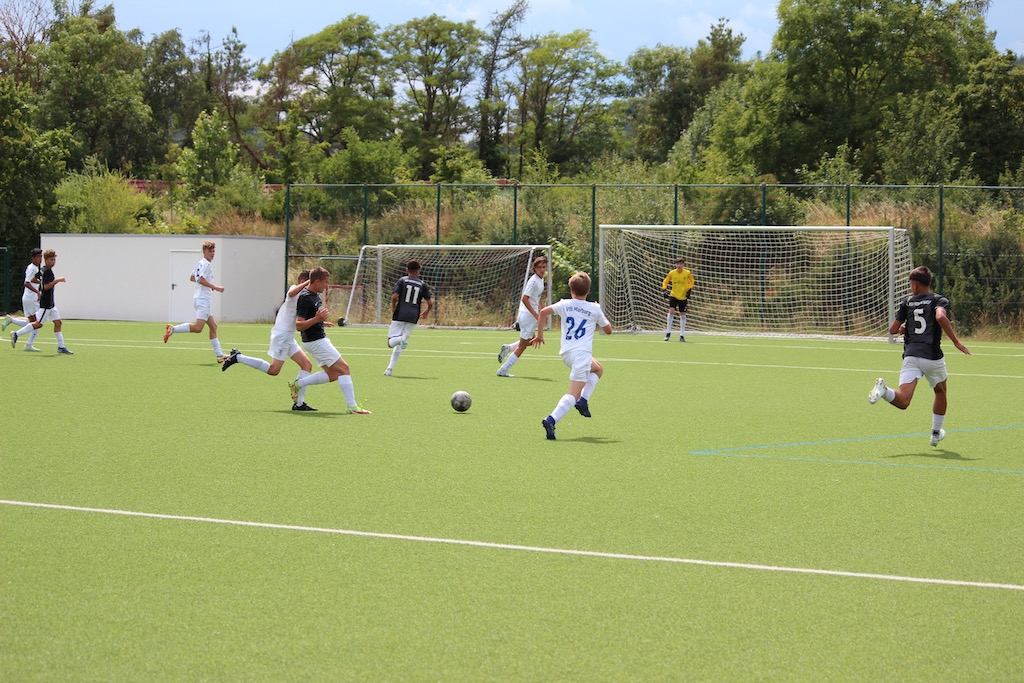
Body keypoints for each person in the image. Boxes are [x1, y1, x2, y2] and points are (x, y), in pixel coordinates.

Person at [868, 266, 971, 447]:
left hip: (911, 356)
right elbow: (940, 317)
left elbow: (892, 330)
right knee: (940, 391)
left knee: (904, 400)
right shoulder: (939, 300)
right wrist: (956, 342)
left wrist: (903, 329)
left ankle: (884, 391)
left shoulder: (907, 302)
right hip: (931, 356)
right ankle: (935, 434)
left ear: (915, 285)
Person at [531, 271, 612, 440]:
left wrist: (540, 335)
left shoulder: (565, 304)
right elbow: (608, 330)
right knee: (573, 394)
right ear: (588, 291)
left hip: (567, 354)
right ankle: (551, 419)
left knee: (598, 369)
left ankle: (584, 400)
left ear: (571, 290)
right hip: (581, 356)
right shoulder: (594, 308)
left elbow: (543, 312)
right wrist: (598, 310)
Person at [221, 270, 318, 411]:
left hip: (288, 336)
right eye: (310, 282)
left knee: (306, 365)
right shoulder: (294, 289)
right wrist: (309, 281)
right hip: (282, 336)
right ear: (303, 282)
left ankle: (299, 403)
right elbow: (291, 293)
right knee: (274, 370)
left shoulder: (304, 296)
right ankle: (238, 357)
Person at [288, 267, 370, 414]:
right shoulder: (305, 297)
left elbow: (311, 319)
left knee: (334, 374)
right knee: (344, 368)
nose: (326, 285)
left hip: (317, 339)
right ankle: (352, 407)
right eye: (325, 282)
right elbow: (299, 325)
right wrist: (317, 319)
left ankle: (299, 384)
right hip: (316, 341)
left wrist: (320, 322)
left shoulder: (315, 295)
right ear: (317, 281)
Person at [163, 240, 228, 363]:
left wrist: (207, 285)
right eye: (210, 251)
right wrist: (214, 287)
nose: (212, 253)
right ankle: (173, 329)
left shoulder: (200, 263)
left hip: (201, 298)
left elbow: (193, 277)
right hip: (203, 300)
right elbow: (201, 279)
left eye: (213, 251)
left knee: (213, 326)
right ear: (204, 252)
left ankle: (219, 355)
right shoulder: (206, 265)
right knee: (198, 328)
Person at [10, 249, 72, 354]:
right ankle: (16, 334)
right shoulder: (47, 272)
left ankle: (61, 347)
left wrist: (41, 282)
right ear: (46, 260)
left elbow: (33, 279)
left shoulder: (42, 270)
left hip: (51, 303)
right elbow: (46, 287)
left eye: (54, 260)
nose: (53, 262)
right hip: (46, 303)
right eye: (51, 260)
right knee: (38, 324)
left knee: (58, 322)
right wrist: (57, 280)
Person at [497, 255, 548, 377]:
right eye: (540, 267)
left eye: (544, 267)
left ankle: (508, 348)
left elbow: (538, 297)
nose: (542, 269)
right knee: (522, 346)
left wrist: (543, 311)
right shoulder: (533, 281)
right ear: (534, 269)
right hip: (527, 316)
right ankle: (503, 370)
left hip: (529, 316)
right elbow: (524, 299)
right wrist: (536, 314)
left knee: (531, 340)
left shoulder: (540, 280)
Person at [383, 260, 433, 376]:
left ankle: (401, 339)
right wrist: (426, 312)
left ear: (407, 270)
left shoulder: (402, 280)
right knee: (401, 343)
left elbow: (395, 296)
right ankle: (389, 369)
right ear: (418, 271)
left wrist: (393, 306)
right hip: (413, 315)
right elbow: (430, 303)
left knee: (390, 343)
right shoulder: (422, 284)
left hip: (400, 313)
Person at [3, 248, 44, 351]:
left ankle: (12, 320)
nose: (40, 259)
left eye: (41, 256)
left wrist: (39, 283)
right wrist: (37, 292)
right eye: (38, 257)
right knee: (38, 323)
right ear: (33, 258)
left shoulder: (33, 268)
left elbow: (31, 281)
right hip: (31, 299)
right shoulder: (33, 268)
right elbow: (26, 283)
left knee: (32, 323)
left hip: (27, 298)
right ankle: (26, 343)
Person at [661, 257, 694, 341]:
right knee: (671, 311)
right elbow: (665, 281)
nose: (679, 265)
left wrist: (690, 289)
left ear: (683, 265)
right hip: (674, 295)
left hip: (683, 296)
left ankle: (682, 335)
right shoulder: (672, 273)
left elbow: (692, 281)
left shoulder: (687, 273)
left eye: (681, 264)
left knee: (683, 315)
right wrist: (664, 289)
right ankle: (668, 333)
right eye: (678, 264)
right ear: (676, 265)